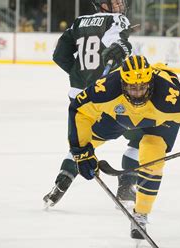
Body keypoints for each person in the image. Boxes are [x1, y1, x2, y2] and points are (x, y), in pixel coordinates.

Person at [68, 55, 180, 239]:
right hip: (124, 113)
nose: (138, 93)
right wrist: (82, 151)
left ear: (151, 82)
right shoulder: (107, 88)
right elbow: (79, 109)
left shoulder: (167, 96)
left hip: (160, 118)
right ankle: (66, 171)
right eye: (132, 87)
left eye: (143, 87)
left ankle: (140, 214)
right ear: (122, 84)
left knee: (152, 158)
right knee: (87, 139)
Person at [44, 0, 134, 208]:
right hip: (105, 96)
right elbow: (116, 46)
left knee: (83, 141)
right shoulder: (117, 20)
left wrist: (79, 75)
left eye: (120, 2)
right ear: (102, 5)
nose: (120, 6)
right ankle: (128, 185)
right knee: (142, 130)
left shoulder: (78, 22)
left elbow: (59, 55)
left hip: (78, 95)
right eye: (115, 2)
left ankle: (63, 179)